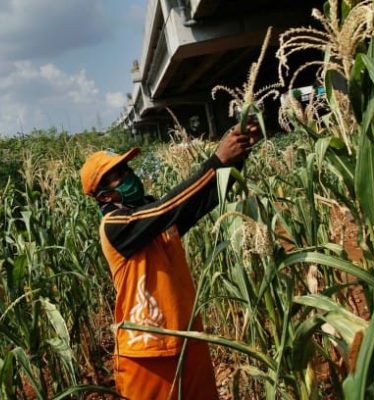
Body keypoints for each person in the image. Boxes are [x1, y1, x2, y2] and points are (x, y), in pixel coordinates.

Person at [79, 122, 261, 399]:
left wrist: (237, 156)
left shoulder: (153, 219)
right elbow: (168, 208)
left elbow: (200, 201)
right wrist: (216, 160)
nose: (130, 176)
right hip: (149, 353)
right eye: (119, 175)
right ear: (104, 196)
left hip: (189, 339)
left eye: (128, 169)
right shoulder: (115, 225)